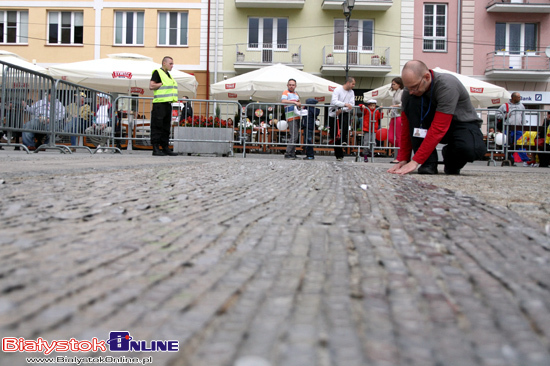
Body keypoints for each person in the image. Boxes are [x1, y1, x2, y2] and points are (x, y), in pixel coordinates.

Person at [388, 60, 486, 175]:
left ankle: (451, 159)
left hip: (460, 124)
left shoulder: (447, 85)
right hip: (430, 125)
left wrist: (415, 161)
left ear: (427, 77)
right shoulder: (409, 91)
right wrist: (404, 159)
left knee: (471, 149)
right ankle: (429, 163)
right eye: (408, 88)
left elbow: (439, 127)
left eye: (414, 87)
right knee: (413, 101)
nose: (410, 92)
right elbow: (406, 126)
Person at [149, 56, 178, 156]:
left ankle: (165, 147)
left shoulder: (168, 75)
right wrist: (160, 84)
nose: (172, 66)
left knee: (166, 127)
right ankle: (156, 148)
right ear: (164, 63)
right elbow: (151, 86)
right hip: (159, 104)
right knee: (157, 126)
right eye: (170, 64)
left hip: (167, 104)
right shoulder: (158, 72)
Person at [496, 92, 528, 165]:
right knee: (507, 143)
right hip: (508, 127)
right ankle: (509, 158)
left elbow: (523, 116)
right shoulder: (504, 106)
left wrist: (524, 126)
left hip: (518, 128)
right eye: (518, 97)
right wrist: (505, 115)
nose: (520, 98)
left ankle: (523, 159)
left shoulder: (521, 106)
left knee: (519, 143)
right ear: (513, 97)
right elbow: (497, 115)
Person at [329, 77, 356, 161]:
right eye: (353, 84)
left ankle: (344, 140)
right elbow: (334, 101)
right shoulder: (337, 90)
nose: (353, 86)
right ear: (348, 83)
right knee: (335, 134)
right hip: (333, 113)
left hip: (344, 112)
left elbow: (352, 105)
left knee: (344, 126)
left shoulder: (352, 92)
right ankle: (338, 154)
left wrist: (343, 109)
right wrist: (345, 104)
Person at [281, 78, 301, 159]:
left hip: (297, 115)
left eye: (293, 85)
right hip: (290, 116)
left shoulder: (296, 93)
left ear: (295, 86)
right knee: (294, 135)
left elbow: (298, 102)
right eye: (290, 85)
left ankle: (292, 153)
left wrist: (299, 104)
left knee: (296, 135)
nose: (291, 86)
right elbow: (283, 100)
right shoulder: (286, 92)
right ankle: (288, 153)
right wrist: (294, 102)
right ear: (287, 85)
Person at [388, 77, 404, 163]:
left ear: (399, 84)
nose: (392, 86)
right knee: (390, 137)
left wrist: (393, 106)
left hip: (399, 116)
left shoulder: (402, 92)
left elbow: (402, 103)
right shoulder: (395, 93)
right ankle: (400, 152)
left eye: (394, 84)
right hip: (394, 116)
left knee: (398, 136)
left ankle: (399, 157)